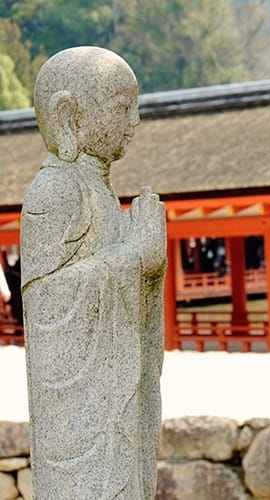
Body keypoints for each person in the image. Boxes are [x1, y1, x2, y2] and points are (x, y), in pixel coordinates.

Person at [21, 47, 166, 499]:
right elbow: (47, 304)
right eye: (122, 108)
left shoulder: (99, 190)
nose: (135, 120)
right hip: (78, 427)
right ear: (69, 115)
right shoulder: (54, 190)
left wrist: (147, 268)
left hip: (113, 410)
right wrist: (135, 256)